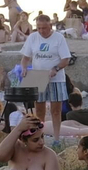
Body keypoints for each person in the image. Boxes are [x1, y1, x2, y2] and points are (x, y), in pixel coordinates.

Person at [19, 14, 72, 143]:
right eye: (39, 28)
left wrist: (56, 69)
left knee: (56, 110)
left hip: (56, 78)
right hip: (38, 77)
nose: (41, 31)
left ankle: (56, 138)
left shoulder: (58, 38)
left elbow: (66, 59)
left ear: (50, 26)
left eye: (44, 28)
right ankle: (40, 135)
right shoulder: (33, 38)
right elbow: (25, 58)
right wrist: (24, 68)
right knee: (39, 109)